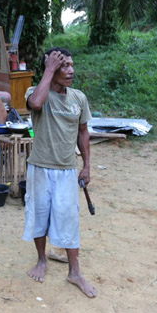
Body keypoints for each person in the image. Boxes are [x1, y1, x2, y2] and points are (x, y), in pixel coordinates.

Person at [22, 47, 97, 298]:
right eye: (64, 66)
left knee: (69, 219)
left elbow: (83, 132)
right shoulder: (36, 91)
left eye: (71, 65)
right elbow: (34, 104)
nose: (71, 70)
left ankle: (75, 272)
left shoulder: (78, 98)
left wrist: (85, 165)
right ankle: (42, 260)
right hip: (40, 167)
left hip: (66, 170)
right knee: (39, 215)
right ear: (51, 69)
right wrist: (49, 70)